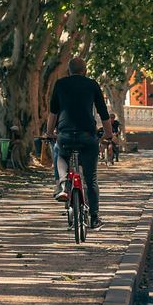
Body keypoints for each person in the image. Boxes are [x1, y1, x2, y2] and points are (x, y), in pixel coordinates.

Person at [45, 57, 112, 229]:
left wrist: (49, 133)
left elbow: (53, 113)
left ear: (69, 71)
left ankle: (62, 183)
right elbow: (103, 112)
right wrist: (108, 134)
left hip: (65, 135)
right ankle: (95, 217)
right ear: (85, 71)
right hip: (87, 136)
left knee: (59, 152)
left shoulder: (60, 84)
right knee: (91, 180)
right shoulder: (92, 85)